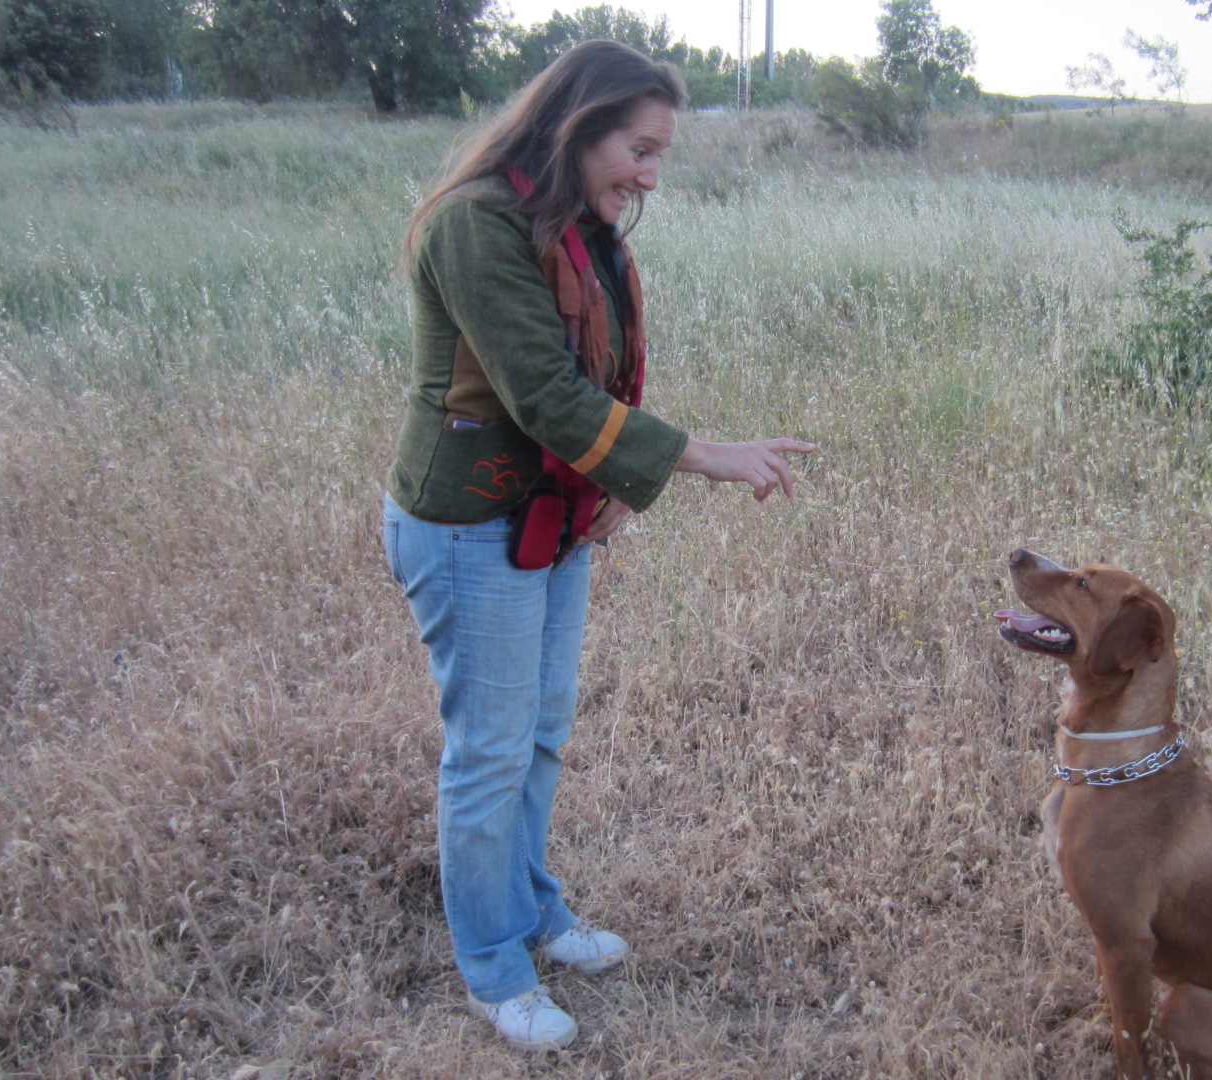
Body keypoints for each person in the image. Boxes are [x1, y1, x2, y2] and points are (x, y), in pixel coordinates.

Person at [381, 40, 814, 1051]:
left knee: (537, 735)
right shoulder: (472, 224)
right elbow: (545, 395)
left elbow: (606, 383)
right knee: (487, 755)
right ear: (578, 123)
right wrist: (698, 456)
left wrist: (611, 486)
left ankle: (534, 912)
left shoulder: (575, 223)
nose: (649, 177)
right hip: (467, 524)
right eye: (639, 148)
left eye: (660, 156)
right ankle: (492, 967)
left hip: (549, 514)